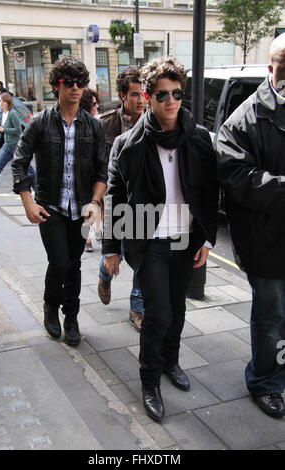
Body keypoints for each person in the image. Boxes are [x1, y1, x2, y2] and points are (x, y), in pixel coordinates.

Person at [102, 57, 218, 421]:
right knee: (158, 313)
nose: (171, 101)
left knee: (178, 309)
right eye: (162, 94)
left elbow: (209, 190)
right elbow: (115, 197)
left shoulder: (197, 137)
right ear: (148, 98)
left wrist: (207, 239)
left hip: (185, 238)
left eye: (177, 93)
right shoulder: (128, 143)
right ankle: (149, 381)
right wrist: (110, 249)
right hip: (148, 238)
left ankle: (171, 363)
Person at [12, 56, 108, 346]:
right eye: (69, 82)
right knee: (59, 261)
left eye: (80, 82)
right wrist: (28, 202)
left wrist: (95, 201)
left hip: (80, 208)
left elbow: (102, 170)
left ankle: (72, 316)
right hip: (50, 206)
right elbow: (19, 162)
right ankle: (51, 307)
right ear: (57, 85)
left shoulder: (93, 126)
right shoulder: (41, 122)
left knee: (74, 263)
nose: (75, 87)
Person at [216, 33, 285, 419]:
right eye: (284, 64)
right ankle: (266, 381)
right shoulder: (245, 118)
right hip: (268, 242)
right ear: (270, 67)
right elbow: (236, 176)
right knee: (272, 316)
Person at [98, 65, 146, 332]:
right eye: (135, 94)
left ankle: (137, 308)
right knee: (115, 254)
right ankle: (104, 277)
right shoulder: (105, 124)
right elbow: (95, 165)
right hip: (113, 202)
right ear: (122, 95)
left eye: (143, 94)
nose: (141, 100)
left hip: (144, 205)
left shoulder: (154, 119)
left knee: (142, 255)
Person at [0, 93, 36, 192]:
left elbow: (18, 130)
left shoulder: (12, 113)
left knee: (27, 168)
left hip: (16, 146)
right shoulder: (3, 114)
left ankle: (36, 189)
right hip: (7, 145)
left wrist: (3, 129)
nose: (1, 103)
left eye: (3, 101)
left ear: (8, 102)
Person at [80, 88, 101, 252]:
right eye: (94, 104)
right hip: (87, 175)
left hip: (98, 173)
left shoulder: (97, 123)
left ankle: (97, 231)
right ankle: (88, 237)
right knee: (90, 205)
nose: (97, 106)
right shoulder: (84, 125)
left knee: (98, 203)